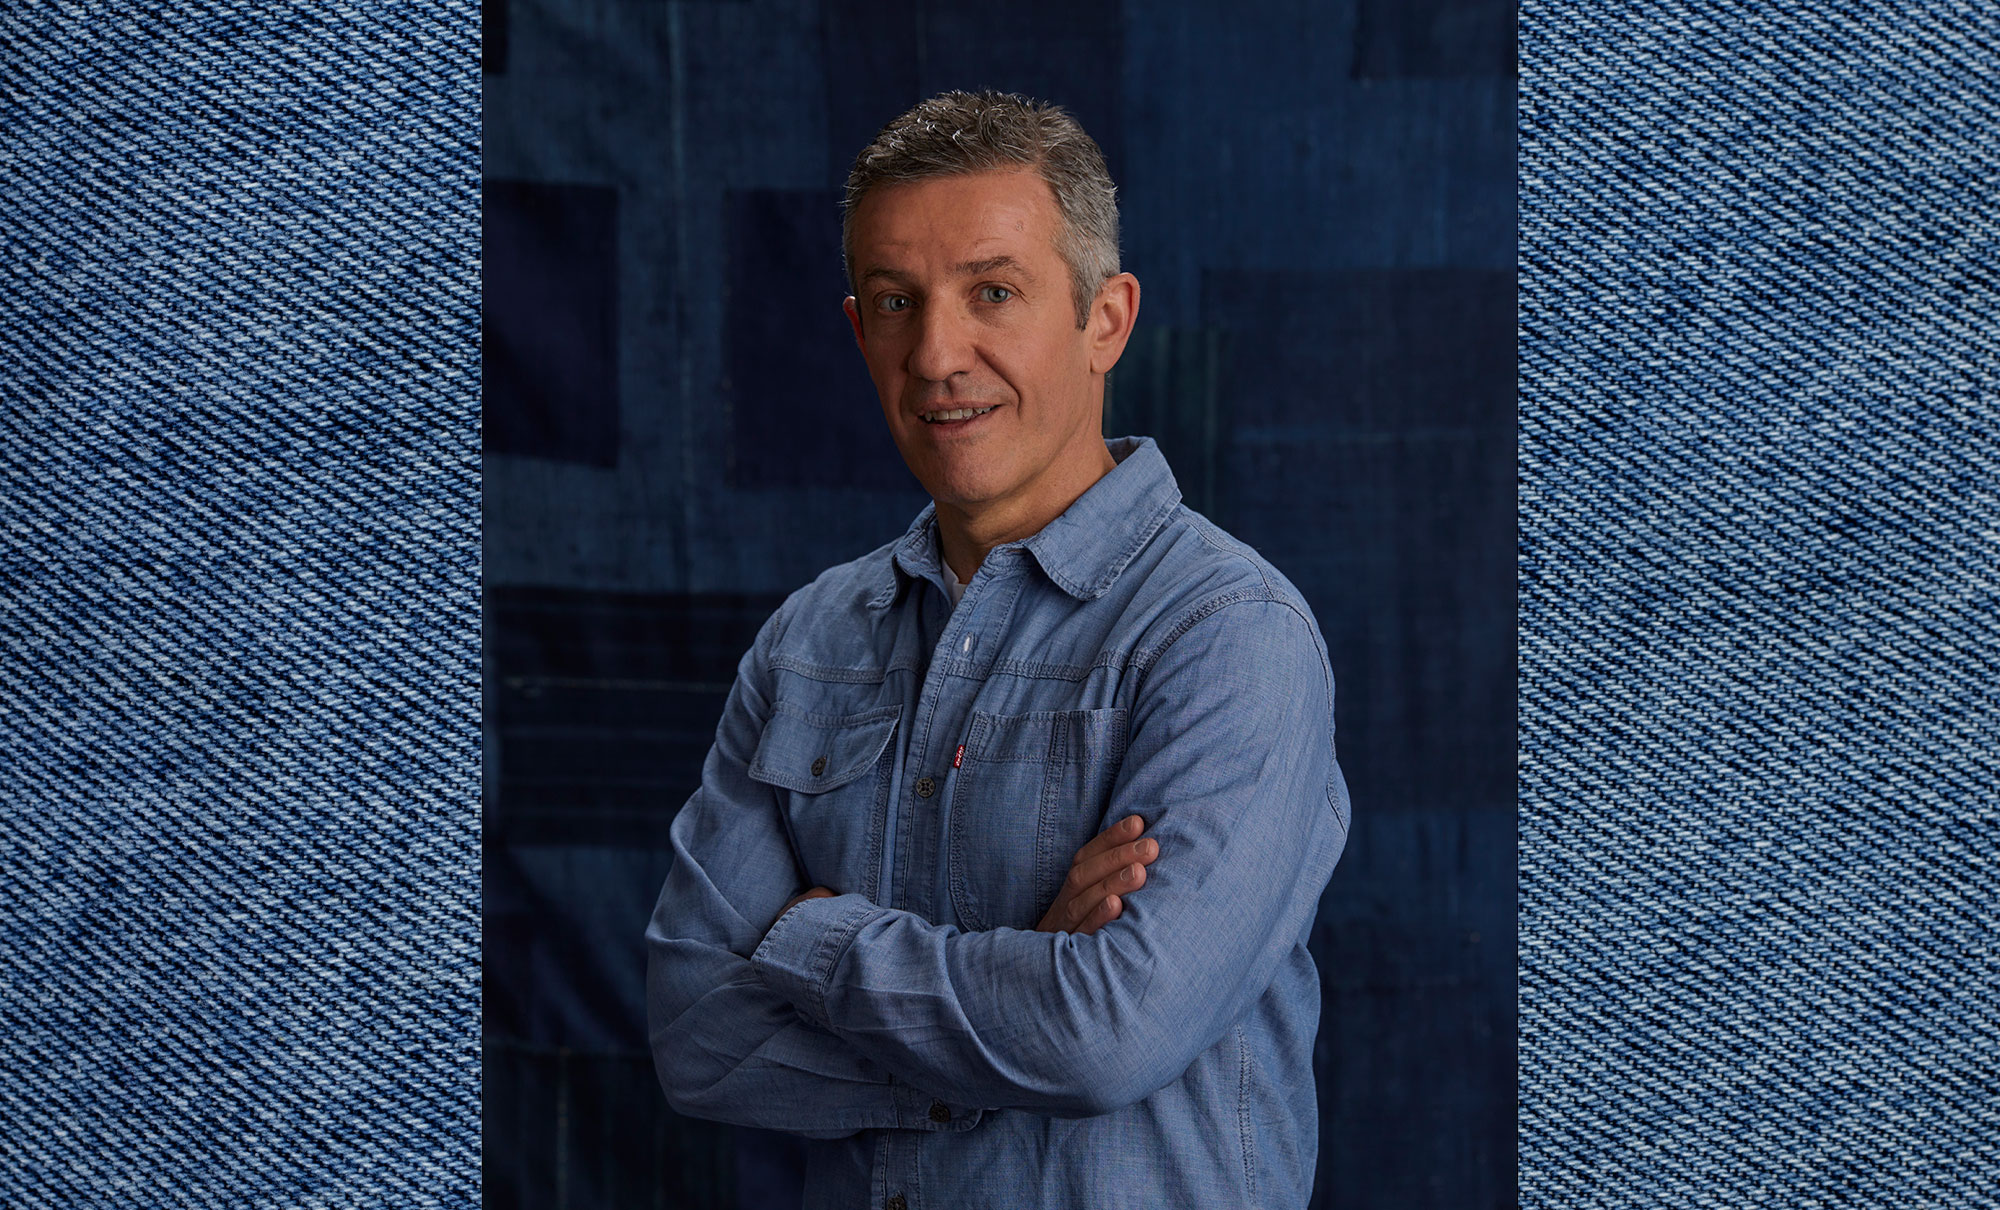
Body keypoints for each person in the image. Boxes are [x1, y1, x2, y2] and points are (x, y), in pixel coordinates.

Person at [646, 89, 1350, 1209]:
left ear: (1103, 320)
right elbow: (695, 1033)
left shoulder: (1227, 637)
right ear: (855, 328)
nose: (935, 354)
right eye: (894, 301)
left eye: (993, 293)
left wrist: (811, 937)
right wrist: (1024, 981)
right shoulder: (807, 643)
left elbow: (1104, 1038)